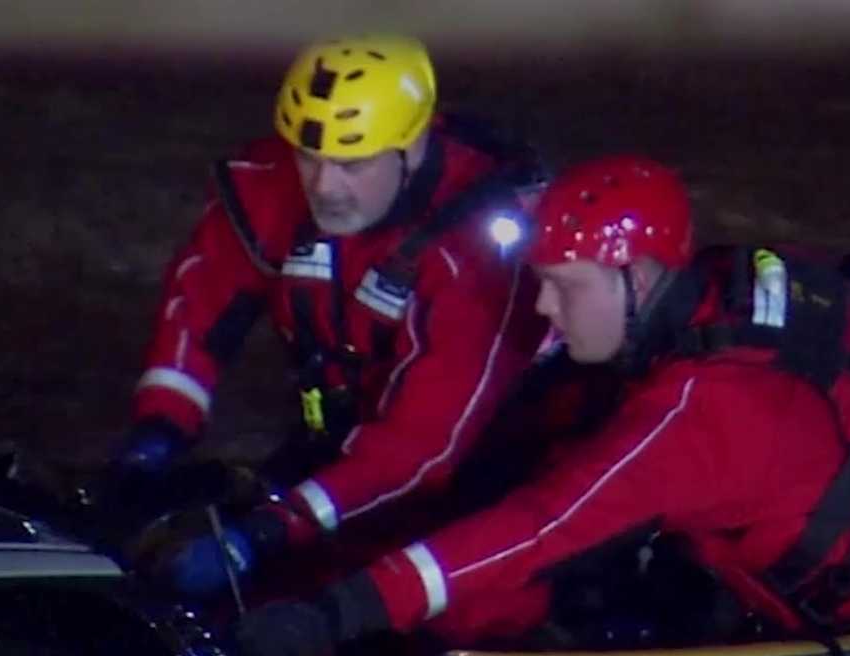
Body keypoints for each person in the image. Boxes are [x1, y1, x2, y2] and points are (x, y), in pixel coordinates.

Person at [231, 155, 850, 656]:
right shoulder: (726, 285)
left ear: (635, 277)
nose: (543, 307)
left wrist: (335, 613)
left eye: (565, 285)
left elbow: (537, 527)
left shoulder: (699, 414)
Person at [106, 34, 549, 593]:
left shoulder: (475, 249)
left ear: (412, 148)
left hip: (481, 484)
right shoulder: (274, 188)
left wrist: (268, 533)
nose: (323, 185)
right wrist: (159, 429)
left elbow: (422, 447)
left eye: (351, 164)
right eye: (308, 156)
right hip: (336, 450)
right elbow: (198, 308)